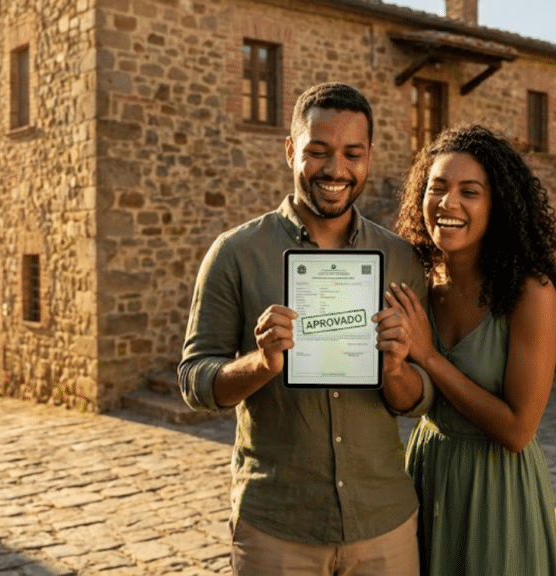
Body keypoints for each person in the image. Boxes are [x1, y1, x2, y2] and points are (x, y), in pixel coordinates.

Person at [179, 82, 435, 575]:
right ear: (290, 150)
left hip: (383, 523)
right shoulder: (235, 254)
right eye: (317, 152)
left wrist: (395, 368)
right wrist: (262, 363)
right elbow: (194, 381)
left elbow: (420, 397)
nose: (335, 169)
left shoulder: (400, 259)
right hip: (277, 526)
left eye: (351, 154)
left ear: (369, 158)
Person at [389, 124, 556, 575]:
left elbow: (517, 430)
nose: (449, 204)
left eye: (470, 192)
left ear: (497, 205)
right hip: (428, 471)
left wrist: (429, 356)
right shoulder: (418, 286)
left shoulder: (531, 294)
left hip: (497, 489)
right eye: (437, 187)